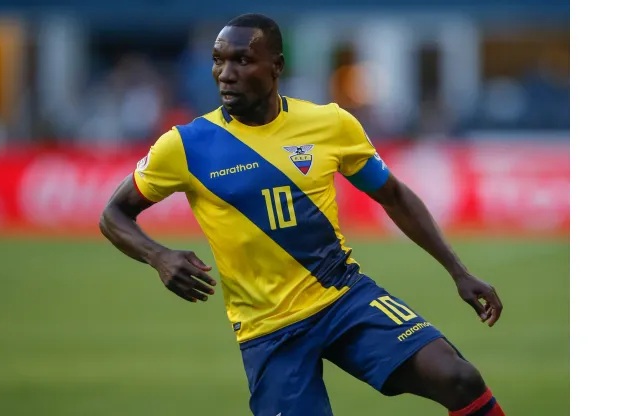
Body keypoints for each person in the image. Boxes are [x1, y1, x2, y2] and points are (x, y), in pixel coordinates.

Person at [99, 13, 505, 416]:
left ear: (276, 66)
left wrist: (458, 270)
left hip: (344, 298)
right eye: (218, 60)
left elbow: (394, 196)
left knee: (458, 378)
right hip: (270, 331)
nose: (225, 73)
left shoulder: (329, 124)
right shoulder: (185, 146)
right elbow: (113, 214)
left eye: (241, 60)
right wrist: (159, 256)